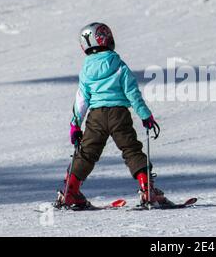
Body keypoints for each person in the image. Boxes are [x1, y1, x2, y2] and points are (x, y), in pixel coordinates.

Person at [62, 22, 171, 209]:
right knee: (131, 150)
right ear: (108, 39)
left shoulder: (85, 71)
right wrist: (146, 115)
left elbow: (81, 100)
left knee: (86, 153)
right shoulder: (119, 66)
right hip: (119, 114)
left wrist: (75, 125)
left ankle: (70, 191)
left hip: (96, 116)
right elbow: (133, 94)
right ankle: (147, 190)